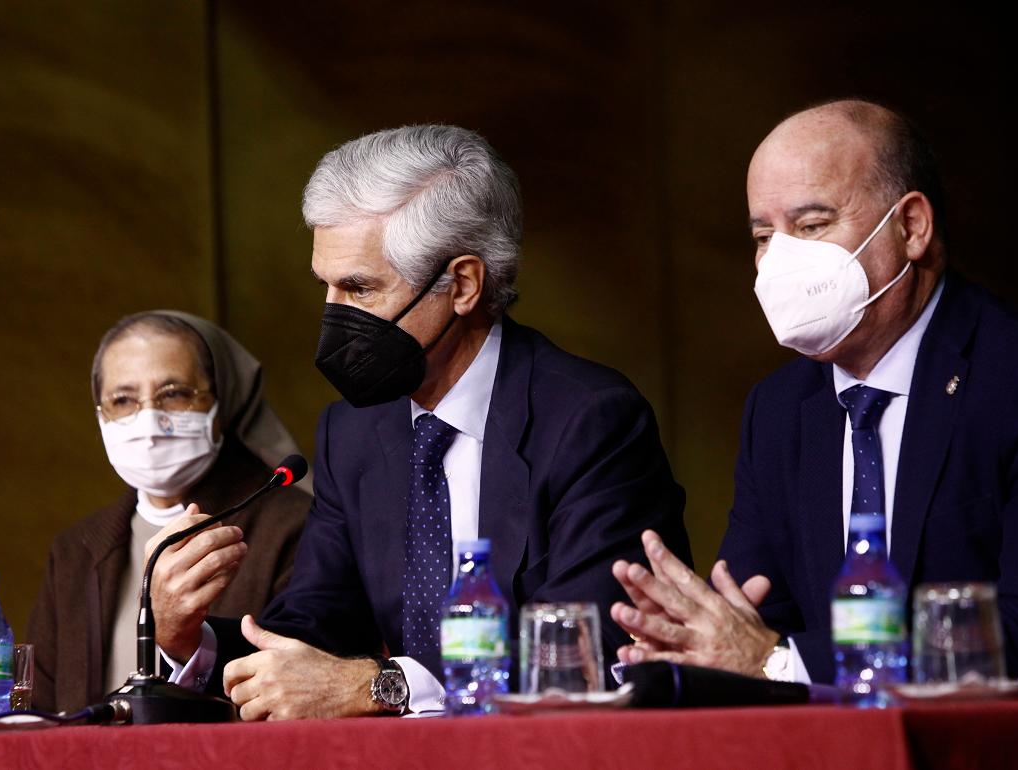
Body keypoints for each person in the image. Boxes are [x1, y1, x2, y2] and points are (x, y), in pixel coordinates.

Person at [609, 99, 1018, 694]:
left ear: (912, 226)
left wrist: (780, 661)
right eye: (764, 236)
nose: (780, 261)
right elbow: (754, 622)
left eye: (813, 225)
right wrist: (691, 641)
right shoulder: (778, 411)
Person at [151, 125, 691, 719]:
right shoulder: (351, 432)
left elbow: (582, 652)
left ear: (462, 284)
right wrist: (188, 639)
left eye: (358, 289)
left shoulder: (590, 420)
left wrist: (383, 688)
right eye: (325, 287)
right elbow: (310, 636)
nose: (332, 318)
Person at [27, 311, 310, 713]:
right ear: (101, 416)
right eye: (123, 400)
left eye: (174, 393)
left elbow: (302, 683)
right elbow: (38, 709)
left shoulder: (293, 525)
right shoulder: (76, 551)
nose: (149, 418)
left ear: (220, 403)